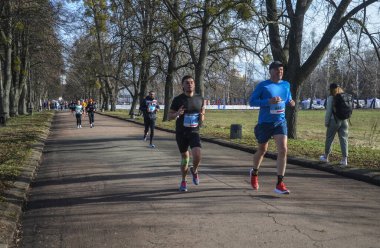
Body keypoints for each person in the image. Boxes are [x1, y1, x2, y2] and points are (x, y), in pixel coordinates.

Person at [248, 61, 295, 194]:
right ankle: (255, 172)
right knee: (262, 150)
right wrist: (268, 102)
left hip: (280, 122)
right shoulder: (263, 86)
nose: (280, 72)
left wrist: (291, 102)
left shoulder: (286, 85)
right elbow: (251, 102)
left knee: (283, 149)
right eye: (277, 70)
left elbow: (287, 99)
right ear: (271, 71)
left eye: (281, 70)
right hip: (265, 123)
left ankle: (280, 183)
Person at [169, 75, 205, 192]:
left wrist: (202, 117)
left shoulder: (200, 98)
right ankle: (183, 180)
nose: (189, 84)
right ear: (182, 85)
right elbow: (169, 116)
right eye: (187, 83)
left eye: (191, 82)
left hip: (194, 131)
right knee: (185, 158)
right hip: (181, 133)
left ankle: (194, 170)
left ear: (194, 84)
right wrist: (177, 113)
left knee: (197, 154)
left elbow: (202, 111)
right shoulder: (178, 100)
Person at [319, 83, 349, 167]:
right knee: (344, 139)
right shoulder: (344, 96)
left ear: (331, 89)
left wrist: (326, 122)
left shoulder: (332, 97)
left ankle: (326, 156)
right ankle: (344, 159)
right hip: (345, 120)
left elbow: (329, 111)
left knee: (329, 138)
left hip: (334, 120)